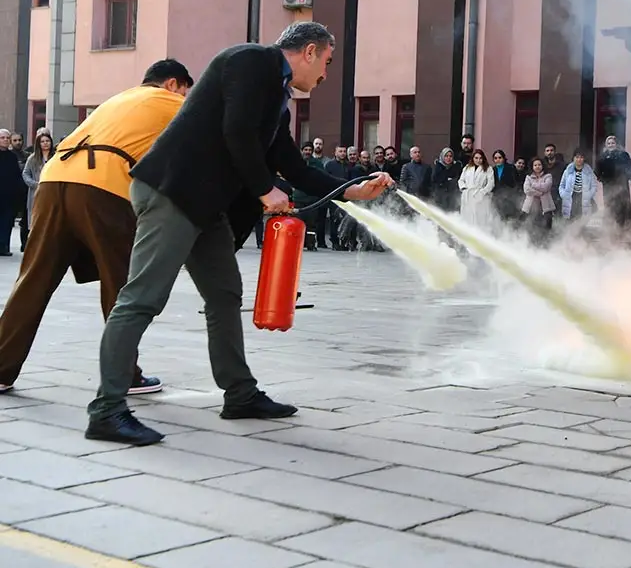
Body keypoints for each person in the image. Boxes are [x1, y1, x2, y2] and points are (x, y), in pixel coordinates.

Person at [84, 23, 393, 446]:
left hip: (205, 205)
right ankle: (106, 409)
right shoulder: (249, 61)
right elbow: (237, 132)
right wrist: (267, 191)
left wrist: (353, 190)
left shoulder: (276, 101)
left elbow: (294, 166)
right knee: (142, 298)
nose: (325, 74)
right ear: (308, 52)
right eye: (326, 62)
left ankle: (240, 394)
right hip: (173, 190)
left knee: (226, 294)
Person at [0, 60, 194, 395]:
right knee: (121, 282)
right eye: (185, 91)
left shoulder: (118, 100)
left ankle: (1, 367)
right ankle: (124, 372)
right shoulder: (172, 101)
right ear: (173, 84)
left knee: (33, 279)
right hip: (100, 186)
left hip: (54, 179)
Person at [558, 149, 599, 221]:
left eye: (581, 157)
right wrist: (563, 194)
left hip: (583, 198)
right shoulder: (567, 171)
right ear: (573, 158)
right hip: (571, 197)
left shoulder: (589, 171)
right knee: (570, 220)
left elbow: (594, 186)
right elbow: (561, 185)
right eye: (577, 157)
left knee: (582, 221)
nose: (579, 159)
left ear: (584, 159)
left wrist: (589, 195)